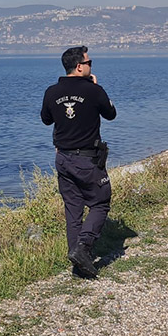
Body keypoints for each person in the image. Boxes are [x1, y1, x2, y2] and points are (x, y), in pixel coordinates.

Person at [41, 46, 117, 279]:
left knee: (73, 210)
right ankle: (83, 247)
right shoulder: (94, 91)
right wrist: (94, 88)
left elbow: (46, 120)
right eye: (89, 61)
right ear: (79, 66)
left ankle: (78, 265)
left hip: (63, 158)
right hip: (87, 159)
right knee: (101, 202)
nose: (91, 65)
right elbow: (111, 113)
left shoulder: (51, 92)